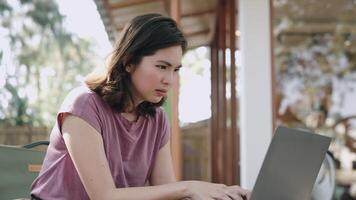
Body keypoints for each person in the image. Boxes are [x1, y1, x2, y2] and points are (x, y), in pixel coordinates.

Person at [30, 13, 250, 200]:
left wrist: (222, 193)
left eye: (175, 69)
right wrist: (189, 187)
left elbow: (166, 190)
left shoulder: (156, 119)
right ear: (128, 61)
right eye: (162, 66)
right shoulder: (83, 106)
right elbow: (104, 196)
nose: (169, 80)